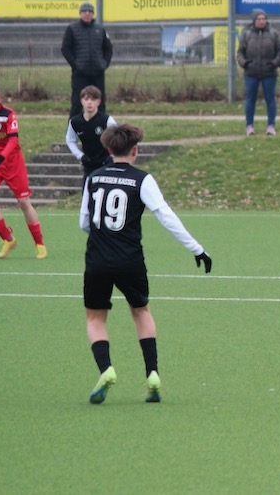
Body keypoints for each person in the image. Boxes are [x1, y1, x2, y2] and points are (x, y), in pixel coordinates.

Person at [80, 124, 213, 404]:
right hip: (130, 260)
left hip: (97, 260)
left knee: (95, 318)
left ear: (109, 149)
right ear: (135, 151)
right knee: (141, 312)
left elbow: (84, 223)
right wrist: (196, 248)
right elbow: (165, 215)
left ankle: (106, 369)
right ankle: (152, 374)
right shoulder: (142, 180)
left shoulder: (93, 178)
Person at [0, 81, 47, 260]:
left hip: (12, 163)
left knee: (24, 202)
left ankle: (39, 244)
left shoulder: (9, 114)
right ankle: (8, 239)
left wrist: (1, 157)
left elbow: (13, 140)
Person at [61, 1, 113, 117]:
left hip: (97, 73)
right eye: (84, 11)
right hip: (80, 74)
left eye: (90, 11)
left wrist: (104, 64)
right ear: (80, 13)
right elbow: (65, 49)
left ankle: (101, 127)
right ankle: (73, 127)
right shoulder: (72, 29)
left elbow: (108, 49)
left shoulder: (100, 29)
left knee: (100, 103)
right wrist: (75, 65)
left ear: (93, 14)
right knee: (77, 103)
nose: (87, 13)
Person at [236, 8, 280, 135]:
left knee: (270, 99)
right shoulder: (247, 34)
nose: (261, 21)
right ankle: (249, 126)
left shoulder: (273, 34)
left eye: (263, 19)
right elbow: (240, 52)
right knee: (250, 100)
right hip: (251, 73)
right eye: (259, 19)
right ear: (254, 20)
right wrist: (244, 63)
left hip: (269, 73)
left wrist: (274, 63)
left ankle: (271, 126)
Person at [66, 85, 117, 182]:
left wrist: (112, 155)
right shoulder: (75, 122)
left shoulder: (107, 120)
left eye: (93, 99)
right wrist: (80, 156)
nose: (89, 102)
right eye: (86, 99)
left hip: (106, 164)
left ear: (98, 102)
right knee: (87, 188)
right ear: (82, 101)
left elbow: (118, 138)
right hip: (88, 164)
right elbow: (70, 140)